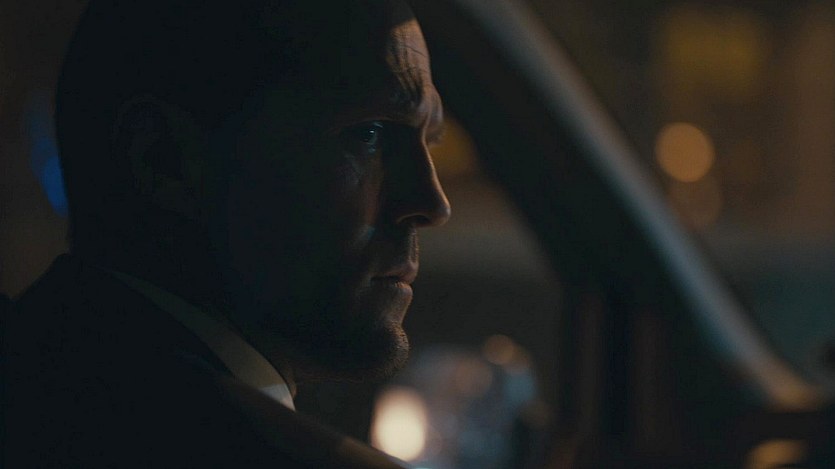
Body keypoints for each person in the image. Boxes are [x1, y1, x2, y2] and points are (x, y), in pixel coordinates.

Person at [3, 0, 450, 467]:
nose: (433, 204)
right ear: (165, 159)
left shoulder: (36, 373)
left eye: (430, 140)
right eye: (370, 134)